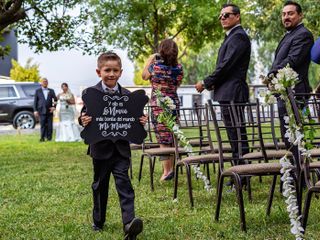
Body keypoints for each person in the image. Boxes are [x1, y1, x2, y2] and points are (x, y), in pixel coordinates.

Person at [79, 52, 147, 239]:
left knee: (124, 183)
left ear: (120, 72)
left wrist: (141, 120)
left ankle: (129, 223)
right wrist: (82, 119)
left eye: (115, 70)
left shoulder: (127, 96)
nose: (111, 74)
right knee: (100, 186)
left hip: (121, 150)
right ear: (98, 71)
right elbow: (84, 114)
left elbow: (134, 119)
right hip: (100, 149)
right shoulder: (92, 94)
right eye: (107, 70)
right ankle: (98, 221)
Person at [195, 3, 251, 164]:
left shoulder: (238, 36)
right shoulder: (232, 36)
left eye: (226, 15)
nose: (222, 18)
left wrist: (206, 82)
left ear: (237, 16)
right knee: (234, 135)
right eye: (220, 16)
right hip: (227, 91)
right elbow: (228, 67)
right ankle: (239, 171)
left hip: (233, 92)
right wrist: (215, 83)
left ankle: (241, 172)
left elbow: (226, 65)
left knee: (237, 135)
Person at [268, 1, 314, 172]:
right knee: (287, 136)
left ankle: (301, 174)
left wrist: (270, 75)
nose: (286, 17)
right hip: (284, 92)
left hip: (296, 92)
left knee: (295, 135)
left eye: (290, 13)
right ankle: (294, 172)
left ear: (300, 15)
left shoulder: (304, 34)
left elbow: (292, 61)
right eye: (284, 14)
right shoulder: (289, 35)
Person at [142, 39, 183, 181]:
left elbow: (144, 76)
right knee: (171, 136)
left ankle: (167, 172)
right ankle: (171, 168)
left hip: (158, 105)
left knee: (163, 138)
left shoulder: (155, 66)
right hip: (173, 104)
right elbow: (177, 84)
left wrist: (150, 58)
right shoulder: (179, 68)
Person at [34, 77, 57, 142]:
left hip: (50, 110)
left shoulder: (51, 90)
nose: (45, 83)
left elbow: (55, 100)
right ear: (41, 83)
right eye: (43, 81)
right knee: (43, 125)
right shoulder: (37, 91)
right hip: (41, 110)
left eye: (46, 81)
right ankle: (42, 138)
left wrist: (54, 107)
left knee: (50, 125)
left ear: (47, 83)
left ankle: (49, 138)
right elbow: (35, 101)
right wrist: (35, 110)